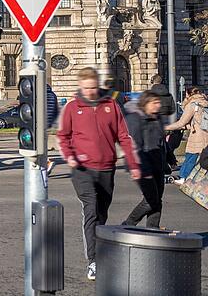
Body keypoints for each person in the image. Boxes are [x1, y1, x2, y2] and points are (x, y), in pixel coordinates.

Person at [57, 67, 141, 282]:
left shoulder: (110, 105)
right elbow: (63, 136)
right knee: (91, 209)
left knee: (102, 214)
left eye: (93, 87)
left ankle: (101, 253)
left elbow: (123, 136)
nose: (90, 92)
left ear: (98, 85)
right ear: (80, 87)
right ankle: (93, 261)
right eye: (86, 88)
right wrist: (70, 156)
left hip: (106, 167)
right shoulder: (72, 107)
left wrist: (132, 164)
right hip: (82, 169)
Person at [122, 91, 168, 228]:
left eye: (158, 102)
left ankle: (153, 229)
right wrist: (140, 167)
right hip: (142, 165)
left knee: (157, 200)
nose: (158, 105)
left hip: (158, 163)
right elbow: (134, 145)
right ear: (145, 103)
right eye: (154, 103)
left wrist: (169, 156)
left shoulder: (157, 118)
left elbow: (162, 140)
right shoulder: (135, 119)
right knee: (150, 200)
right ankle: (128, 224)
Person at [166, 86, 208, 182]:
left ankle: (183, 177)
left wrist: (166, 127)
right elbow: (195, 122)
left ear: (188, 94)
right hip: (205, 134)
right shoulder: (204, 102)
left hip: (197, 136)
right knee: (202, 158)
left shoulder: (193, 105)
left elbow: (182, 122)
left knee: (190, 156)